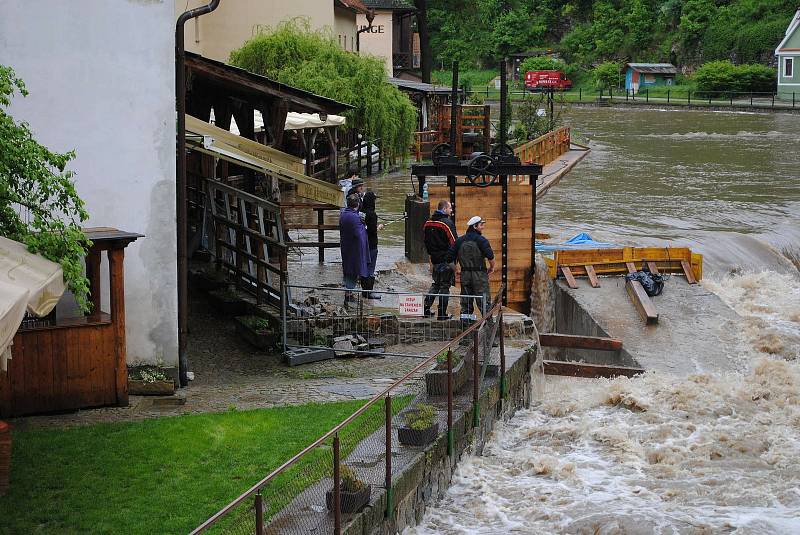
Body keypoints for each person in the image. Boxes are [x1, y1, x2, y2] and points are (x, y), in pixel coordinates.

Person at [447, 215, 495, 317]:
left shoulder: (459, 241)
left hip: (465, 275)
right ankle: (488, 324)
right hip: (480, 275)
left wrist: (456, 270)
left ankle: (465, 325)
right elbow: (490, 257)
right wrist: (491, 268)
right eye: (481, 225)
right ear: (475, 226)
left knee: (466, 302)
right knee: (484, 301)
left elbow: (449, 259)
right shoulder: (482, 240)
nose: (483, 227)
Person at [423, 200, 458, 319]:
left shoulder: (428, 223)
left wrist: (432, 254)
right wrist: (454, 261)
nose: (451, 210)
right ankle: (442, 313)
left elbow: (425, 241)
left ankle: (426, 309)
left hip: (435, 259)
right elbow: (454, 242)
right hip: (446, 260)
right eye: (450, 208)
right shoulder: (447, 223)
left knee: (436, 284)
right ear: (444, 209)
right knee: (444, 287)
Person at [339, 193, 369, 305]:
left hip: (345, 246)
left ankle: (349, 293)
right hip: (354, 248)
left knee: (347, 269)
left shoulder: (343, 214)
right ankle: (349, 295)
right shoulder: (355, 217)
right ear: (357, 204)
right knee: (353, 270)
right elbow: (359, 233)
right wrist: (364, 226)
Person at [360, 191, 384, 299]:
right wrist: (378, 227)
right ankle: (368, 292)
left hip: (362, 244)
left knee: (364, 266)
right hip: (371, 244)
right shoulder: (372, 214)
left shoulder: (361, 212)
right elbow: (372, 231)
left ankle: (364, 291)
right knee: (371, 268)